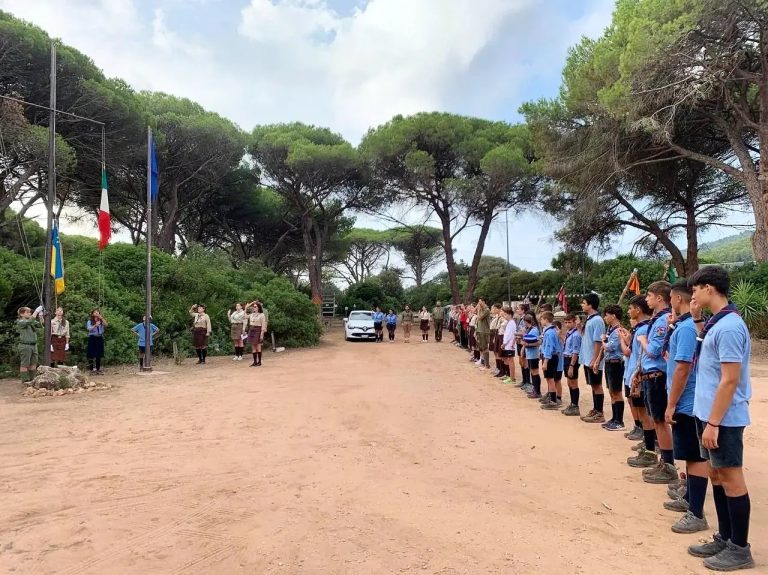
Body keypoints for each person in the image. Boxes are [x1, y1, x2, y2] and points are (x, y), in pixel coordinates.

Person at [686, 266, 754, 571]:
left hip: (722, 418)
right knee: (716, 474)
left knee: (731, 477)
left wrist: (713, 422)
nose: (694, 295)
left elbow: (729, 380)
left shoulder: (729, 327)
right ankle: (725, 537)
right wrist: (697, 319)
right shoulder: (717, 323)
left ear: (709, 288)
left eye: (696, 290)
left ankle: (740, 548)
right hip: (708, 413)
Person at [663, 280, 710, 535]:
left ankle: (696, 511)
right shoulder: (682, 327)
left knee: (695, 457)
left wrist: (671, 404)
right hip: (686, 400)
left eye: (671, 298)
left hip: (688, 403)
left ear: (676, 299)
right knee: (691, 456)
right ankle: (690, 499)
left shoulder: (685, 329)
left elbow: (683, 368)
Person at [635, 281, 676, 484]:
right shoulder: (658, 319)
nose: (646, 299)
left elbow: (654, 351)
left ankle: (668, 464)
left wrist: (642, 340)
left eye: (649, 295)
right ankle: (665, 461)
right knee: (656, 420)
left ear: (660, 298)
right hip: (649, 374)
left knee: (660, 421)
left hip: (657, 376)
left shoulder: (662, 321)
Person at [622, 296, 659, 469]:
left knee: (646, 415)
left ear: (638, 309)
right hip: (635, 375)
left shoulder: (644, 329)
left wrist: (638, 375)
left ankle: (651, 450)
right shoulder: (639, 329)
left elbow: (644, 355)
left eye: (631, 308)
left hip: (641, 377)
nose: (629, 311)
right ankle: (647, 443)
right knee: (642, 414)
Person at [579, 294, 606, 423]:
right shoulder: (589, 319)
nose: (582, 305)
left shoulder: (597, 320)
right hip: (587, 358)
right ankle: (595, 409)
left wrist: (595, 359)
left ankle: (600, 413)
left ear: (590, 304)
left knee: (597, 385)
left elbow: (598, 341)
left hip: (593, 359)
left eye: (584, 303)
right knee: (593, 386)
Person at [602, 305, 626, 431]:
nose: (605, 318)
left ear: (613, 315)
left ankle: (619, 421)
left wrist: (603, 341)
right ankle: (614, 417)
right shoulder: (610, 329)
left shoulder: (618, 331)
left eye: (606, 315)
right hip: (609, 362)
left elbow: (610, 347)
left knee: (616, 391)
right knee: (611, 391)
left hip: (616, 362)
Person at [539, 311, 564, 409]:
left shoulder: (549, 332)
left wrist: (546, 361)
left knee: (550, 379)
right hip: (553, 357)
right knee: (550, 379)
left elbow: (549, 347)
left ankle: (553, 401)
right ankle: (552, 399)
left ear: (546, 320)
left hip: (550, 357)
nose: (540, 321)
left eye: (541, 319)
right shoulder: (551, 331)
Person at [561, 314, 582, 416]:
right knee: (569, 382)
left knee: (573, 383)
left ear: (574, 322)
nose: (567, 324)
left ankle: (575, 405)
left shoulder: (576, 335)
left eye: (569, 322)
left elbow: (575, 351)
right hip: (566, 358)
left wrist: (572, 366)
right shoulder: (569, 333)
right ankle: (572, 403)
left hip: (571, 360)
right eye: (566, 322)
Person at [16, 306, 42, 383]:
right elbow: (29, 321)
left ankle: (32, 379)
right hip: (25, 345)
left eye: (30, 312)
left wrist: (41, 316)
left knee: (33, 363)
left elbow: (41, 325)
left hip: (34, 345)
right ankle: (25, 381)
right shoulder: (21, 322)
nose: (29, 313)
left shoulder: (30, 321)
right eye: (27, 312)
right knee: (25, 364)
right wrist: (36, 312)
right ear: (21, 314)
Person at [522, 313, 542, 399]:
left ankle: (537, 391)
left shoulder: (534, 330)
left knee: (535, 372)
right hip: (530, 354)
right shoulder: (530, 329)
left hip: (533, 354)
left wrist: (526, 344)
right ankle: (535, 389)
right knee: (533, 372)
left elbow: (537, 342)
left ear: (526, 322)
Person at [245, 301, 268, 366]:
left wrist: (262, 334)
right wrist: (245, 308)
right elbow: (245, 316)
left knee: (258, 346)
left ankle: (259, 362)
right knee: (253, 346)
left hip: (258, 330)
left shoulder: (262, 315)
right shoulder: (252, 314)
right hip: (251, 330)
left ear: (258, 307)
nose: (254, 308)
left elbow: (263, 325)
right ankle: (255, 362)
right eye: (253, 307)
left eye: (255, 307)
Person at [86, 308, 108, 374]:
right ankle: (91, 369)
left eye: (97, 312)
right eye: (95, 312)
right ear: (92, 314)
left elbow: (106, 325)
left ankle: (98, 369)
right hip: (92, 337)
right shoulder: (89, 321)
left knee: (99, 354)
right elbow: (89, 329)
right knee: (91, 354)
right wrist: (95, 325)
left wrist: (102, 318)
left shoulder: (101, 320)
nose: (96, 313)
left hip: (99, 338)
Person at [501, 307, 518, 384]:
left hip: (510, 345)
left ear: (510, 315)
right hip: (508, 344)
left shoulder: (512, 323)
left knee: (511, 361)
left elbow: (510, 335)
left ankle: (512, 378)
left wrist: (504, 343)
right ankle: (510, 376)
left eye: (506, 314)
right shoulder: (510, 322)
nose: (504, 316)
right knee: (509, 360)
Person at [475, 299, 491, 370]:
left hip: (484, 331)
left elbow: (479, 317)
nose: (479, 303)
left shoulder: (486, 310)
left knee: (485, 347)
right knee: (481, 347)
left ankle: (487, 365)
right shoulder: (481, 309)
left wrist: (478, 309)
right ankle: (483, 363)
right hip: (480, 330)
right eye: (478, 302)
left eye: (480, 301)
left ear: (484, 302)